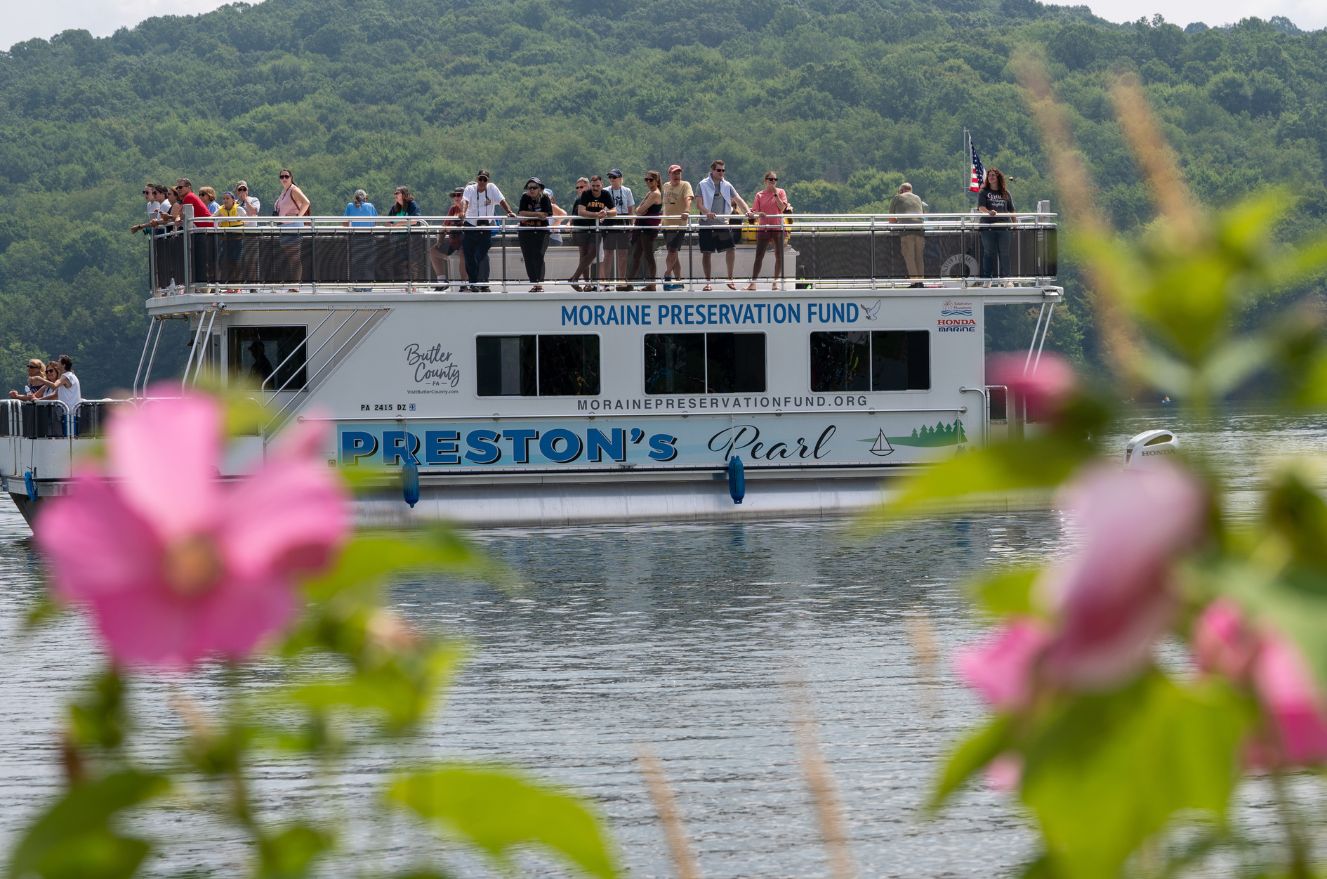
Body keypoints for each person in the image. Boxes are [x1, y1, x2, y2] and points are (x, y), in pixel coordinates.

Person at [696, 160, 751, 291]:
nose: (721, 173)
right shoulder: (702, 184)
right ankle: (708, 282)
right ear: (712, 171)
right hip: (706, 223)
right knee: (706, 252)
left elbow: (738, 199)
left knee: (731, 249)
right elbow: (698, 204)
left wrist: (748, 211)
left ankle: (730, 279)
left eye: (723, 170)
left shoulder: (727, 185)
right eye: (719, 170)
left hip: (722, 222)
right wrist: (707, 213)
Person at [460, 170, 514, 292]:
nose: (482, 182)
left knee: (480, 253)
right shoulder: (470, 189)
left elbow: (501, 200)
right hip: (470, 226)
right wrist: (462, 212)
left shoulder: (492, 188)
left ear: (488, 181)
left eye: (485, 179)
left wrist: (509, 211)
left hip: (485, 227)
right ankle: (473, 283)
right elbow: (465, 201)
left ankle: (479, 282)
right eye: (480, 179)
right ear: (477, 179)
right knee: (469, 256)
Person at [569, 175, 616, 291]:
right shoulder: (586, 195)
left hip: (596, 229)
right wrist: (596, 215)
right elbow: (581, 211)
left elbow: (614, 211)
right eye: (593, 186)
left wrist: (606, 213)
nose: (595, 188)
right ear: (590, 186)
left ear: (602, 185)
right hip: (582, 228)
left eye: (598, 186)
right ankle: (587, 283)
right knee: (584, 255)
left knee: (593, 253)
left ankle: (574, 278)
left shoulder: (605, 194)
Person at [747, 171, 792, 291]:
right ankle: (753, 282)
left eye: (775, 179)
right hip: (764, 228)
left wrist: (775, 194)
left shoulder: (781, 192)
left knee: (779, 255)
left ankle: (775, 282)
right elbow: (754, 211)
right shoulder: (759, 195)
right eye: (770, 179)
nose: (773, 182)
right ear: (765, 180)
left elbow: (782, 208)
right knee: (759, 255)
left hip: (777, 227)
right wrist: (758, 213)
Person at [274, 168, 311, 290]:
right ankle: (293, 283)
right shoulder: (283, 192)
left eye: (286, 176)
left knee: (295, 256)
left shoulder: (294, 190)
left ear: (291, 178)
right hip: (284, 227)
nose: (284, 179)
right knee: (290, 257)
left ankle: (296, 285)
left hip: (294, 227)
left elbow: (306, 202)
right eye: (282, 177)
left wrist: (298, 217)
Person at [626, 170, 663, 291]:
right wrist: (641, 209)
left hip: (648, 228)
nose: (648, 182)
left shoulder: (655, 194)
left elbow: (639, 210)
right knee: (637, 255)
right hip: (643, 227)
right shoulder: (650, 193)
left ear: (656, 181)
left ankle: (652, 283)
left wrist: (641, 209)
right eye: (646, 179)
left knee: (648, 255)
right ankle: (629, 282)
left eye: (650, 180)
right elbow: (639, 209)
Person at [977, 168, 1015, 282]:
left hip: (1004, 226)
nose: (991, 177)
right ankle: (987, 279)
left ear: (998, 177)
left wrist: (1015, 224)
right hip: (988, 227)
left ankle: (1007, 280)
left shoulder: (1005, 193)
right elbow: (981, 207)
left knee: (1004, 253)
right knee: (989, 252)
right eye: (989, 176)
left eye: (993, 175)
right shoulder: (984, 192)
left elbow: (1012, 210)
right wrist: (988, 212)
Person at [516, 177, 552, 291]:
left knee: (539, 255)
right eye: (529, 188)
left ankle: (539, 283)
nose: (531, 190)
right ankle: (534, 283)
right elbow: (521, 213)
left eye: (534, 187)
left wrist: (530, 215)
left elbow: (547, 213)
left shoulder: (545, 198)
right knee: (528, 257)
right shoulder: (525, 197)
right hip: (526, 231)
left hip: (542, 231)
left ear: (540, 189)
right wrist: (537, 215)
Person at [661, 163, 693, 289]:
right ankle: (679, 280)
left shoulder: (685, 185)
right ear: (669, 174)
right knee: (673, 253)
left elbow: (688, 199)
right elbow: (665, 204)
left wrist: (687, 210)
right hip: (666, 224)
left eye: (678, 173)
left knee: (673, 251)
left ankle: (667, 276)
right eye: (674, 173)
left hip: (679, 224)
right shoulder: (666, 186)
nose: (677, 175)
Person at [428, 188, 467, 291]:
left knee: (463, 254)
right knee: (433, 251)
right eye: (455, 195)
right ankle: (442, 281)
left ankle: (464, 284)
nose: (456, 197)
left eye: (459, 195)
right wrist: (440, 241)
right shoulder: (452, 209)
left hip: (465, 242)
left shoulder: (469, 209)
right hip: (452, 242)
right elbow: (444, 226)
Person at [889, 182, 926, 287]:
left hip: (907, 231)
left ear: (901, 191)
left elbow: (891, 219)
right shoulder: (918, 198)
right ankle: (922, 282)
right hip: (920, 230)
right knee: (919, 257)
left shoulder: (897, 198)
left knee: (909, 257)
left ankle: (915, 282)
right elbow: (923, 214)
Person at [603, 169, 635, 290]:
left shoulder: (627, 191)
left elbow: (631, 209)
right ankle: (605, 281)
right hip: (609, 220)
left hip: (623, 220)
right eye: (610, 177)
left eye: (614, 177)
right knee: (608, 253)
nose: (612, 179)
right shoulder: (605, 191)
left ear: (620, 178)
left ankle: (622, 280)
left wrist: (631, 226)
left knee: (623, 253)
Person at [214, 190, 246, 289]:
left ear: (233, 200)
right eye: (223, 199)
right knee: (224, 261)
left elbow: (247, 221)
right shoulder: (220, 210)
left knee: (236, 261)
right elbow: (211, 219)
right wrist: (218, 222)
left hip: (238, 239)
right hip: (225, 239)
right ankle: (227, 285)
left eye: (227, 198)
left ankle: (237, 286)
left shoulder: (239, 209)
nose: (225, 200)